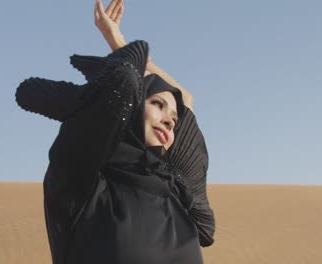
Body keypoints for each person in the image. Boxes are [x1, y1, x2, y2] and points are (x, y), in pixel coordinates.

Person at [15, 0, 215, 263]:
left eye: (174, 120)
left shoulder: (177, 190)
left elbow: (185, 99)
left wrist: (119, 44)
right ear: (131, 108)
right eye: (156, 104)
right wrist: (120, 45)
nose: (169, 120)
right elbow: (123, 83)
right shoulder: (83, 179)